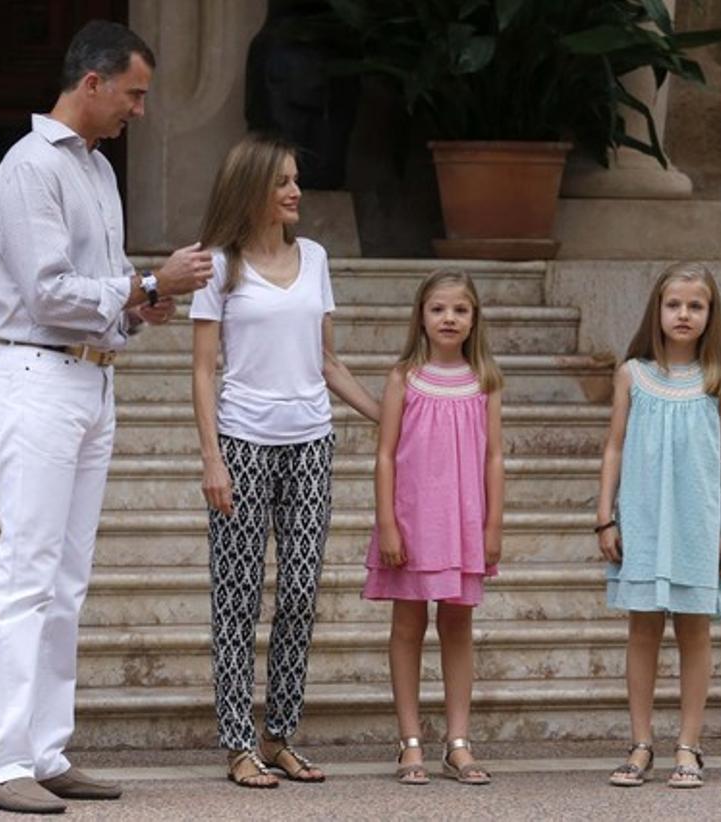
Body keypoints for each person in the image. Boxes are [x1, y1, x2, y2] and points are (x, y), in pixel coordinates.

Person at [0, 20, 214, 815]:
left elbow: (101, 294)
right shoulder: (29, 168)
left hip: (89, 380)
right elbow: (46, 293)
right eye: (134, 93)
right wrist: (144, 281)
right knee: (27, 571)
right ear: (92, 84)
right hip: (38, 374)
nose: (139, 110)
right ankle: (1, 760)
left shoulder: (100, 173)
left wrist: (143, 305)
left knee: (66, 580)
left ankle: (44, 750)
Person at [190, 133, 380, 788]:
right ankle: (238, 741)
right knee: (237, 597)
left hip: (310, 442)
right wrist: (212, 457)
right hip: (242, 443)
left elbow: (328, 360)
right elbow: (203, 368)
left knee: (300, 590)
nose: (296, 190)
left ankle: (279, 734)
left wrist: (388, 416)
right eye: (283, 182)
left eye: (296, 179)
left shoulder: (317, 258)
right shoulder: (219, 266)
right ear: (253, 191)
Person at [595, 261, 721, 789]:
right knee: (642, 629)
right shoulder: (632, 374)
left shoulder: (717, 379)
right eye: (674, 304)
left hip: (696, 521)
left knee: (695, 630)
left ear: (710, 314)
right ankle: (640, 743)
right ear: (657, 310)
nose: (684, 314)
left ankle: (689, 744)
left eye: (695, 305)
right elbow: (614, 444)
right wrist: (604, 516)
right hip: (643, 518)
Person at [361, 269, 505, 786]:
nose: (449, 318)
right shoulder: (404, 377)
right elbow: (385, 454)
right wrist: (388, 524)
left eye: (460, 310)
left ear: (473, 319)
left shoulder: (485, 381)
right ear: (421, 316)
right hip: (413, 520)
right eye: (439, 309)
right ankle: (410, 741)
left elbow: (493, 459)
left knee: (457, 626)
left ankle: (459, 742)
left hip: (464, 524)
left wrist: (493, 524)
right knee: (406, 625)